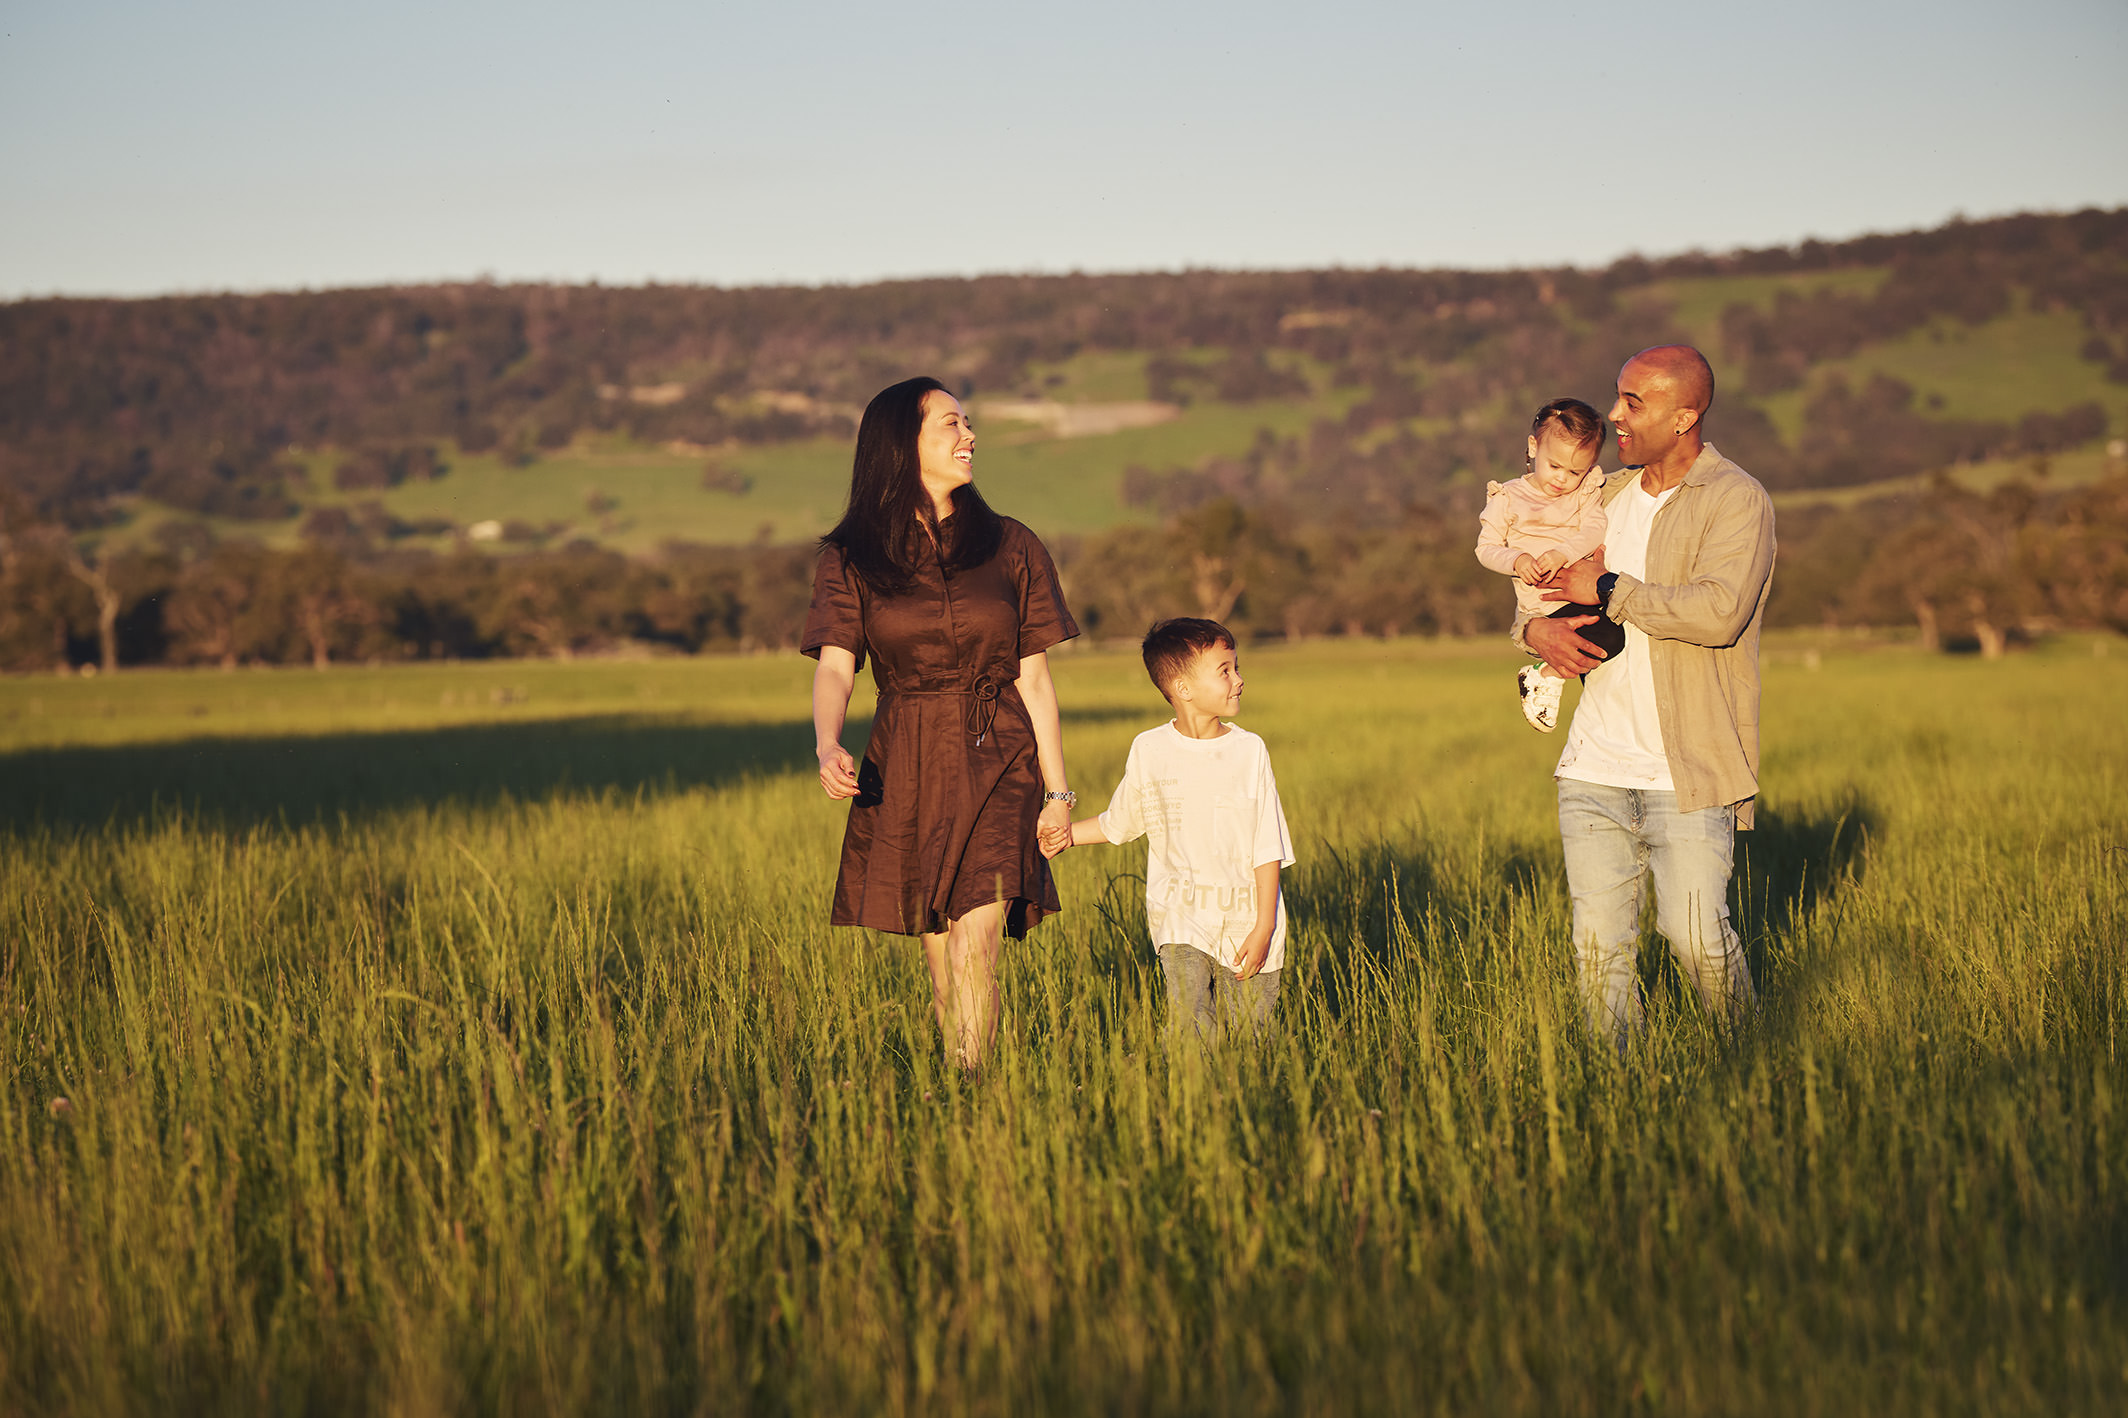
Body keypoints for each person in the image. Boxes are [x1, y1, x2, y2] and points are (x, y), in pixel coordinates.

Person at [804, 375, 1079, 1070]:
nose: (970, 436)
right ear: (903, 445)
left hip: (1000, 754)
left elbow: (1035, 677)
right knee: (939, 951)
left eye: (967, 423)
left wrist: (1057, 791)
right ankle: (958, 1089)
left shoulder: (1011, 546)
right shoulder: (850, 558)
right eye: (951, 425)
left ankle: (974, 1081)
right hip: (906, 759)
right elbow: (838, 666)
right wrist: (827, 741)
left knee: (975, 943)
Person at [1523, 345, 1775, 1047]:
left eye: (1635, 401)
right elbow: (1537, 582)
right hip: (1593, 768)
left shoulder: (1735, 499)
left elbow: (1718, 612)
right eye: (1619, 395)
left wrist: (1606, 590)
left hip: (1689, 770)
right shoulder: (1600, 497)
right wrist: (1534, 628)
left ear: (1686, 414)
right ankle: (1617, 1099)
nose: (1614, 414)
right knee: (1599, 955)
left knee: (1695, 937)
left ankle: (1753, 1059)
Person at [1046, 618, 1296, 1046]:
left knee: (1250, 1037)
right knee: (1190, 1028)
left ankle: (1245, 1104)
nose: (1239, 680)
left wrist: (1264, 925)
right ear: (1182, 688)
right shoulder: (1150, 749)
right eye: (1225, 670)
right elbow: (1122, 820)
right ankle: (1187, 1102)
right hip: (1179, 921)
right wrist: (1066, 836)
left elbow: (1266, 844)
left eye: (1236, 668)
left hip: (1245, 922)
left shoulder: (1248, 751)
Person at [1475, 397, 1623, 732]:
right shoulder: (1508, 498)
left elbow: (1593, 529)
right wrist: (1517, 560)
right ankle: (1546, 677)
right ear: (1533, 448)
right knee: (1607, 639)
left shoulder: (1584, 493)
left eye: (1575, 471)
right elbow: (1486, 549)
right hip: (1542, 603)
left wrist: (1563, 554)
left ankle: (1546, 676)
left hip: (1584, 591)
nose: (1562, 480)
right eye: (1554, 466)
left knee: (1611, 638)